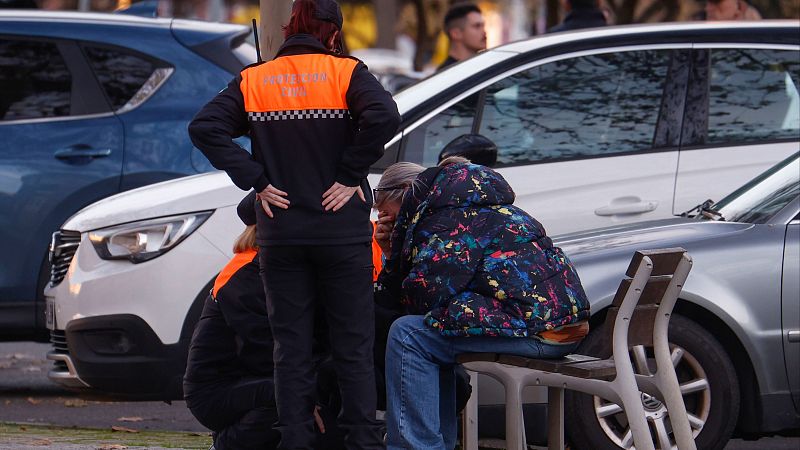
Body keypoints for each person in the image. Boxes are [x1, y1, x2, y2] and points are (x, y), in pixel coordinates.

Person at [188, 0, 400, 446]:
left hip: (281, 233)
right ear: (334, 35)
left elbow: (205, 127)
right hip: (341, 233)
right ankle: (361, 440)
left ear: (288, 32)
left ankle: (296, 438)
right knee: (353, 348)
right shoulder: (346, 73)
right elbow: (384, 117)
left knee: (291, 350)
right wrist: (348, 175)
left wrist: (257, 181)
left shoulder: (255, 79)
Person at [373, 156, 591, 450]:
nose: (388, 224)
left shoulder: (447, 221)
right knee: (429, 334)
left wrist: (395, 250)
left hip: (541, 332)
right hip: (563, 326)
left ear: (406, 198)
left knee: (408, 335)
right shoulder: (478, 205)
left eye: (388, 215)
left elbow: (421, 298)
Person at [184, 193, 344, 450]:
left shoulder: (277, 268)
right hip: (217, 392)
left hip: (252, 380)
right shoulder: (246, 276)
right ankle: (228, 444)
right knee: (289, 394)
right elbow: (263, 349)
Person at [437, 2, 487, 71]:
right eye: (477, 26)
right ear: (456, 34)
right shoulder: (445, 74)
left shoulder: (482, 66)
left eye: (483, 26)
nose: (484, 31)